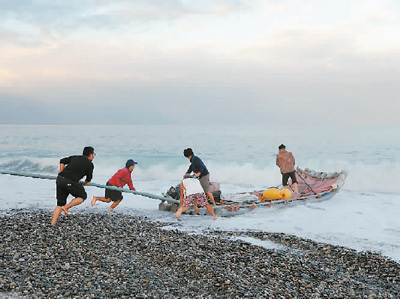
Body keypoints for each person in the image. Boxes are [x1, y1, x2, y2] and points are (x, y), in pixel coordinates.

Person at [51, 146, 96, 225]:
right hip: (70, 181)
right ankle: (66, 207)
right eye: (94, 154)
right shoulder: (90, 164)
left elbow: (62, 161)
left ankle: (52, 223)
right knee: (82, 196)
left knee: (60, 203)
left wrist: (62, 173)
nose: (94, 156)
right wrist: (86, 183)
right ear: (91, 154)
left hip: (60, 179)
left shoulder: (75, 157)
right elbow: (89, 178)